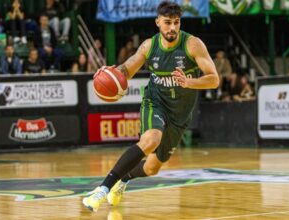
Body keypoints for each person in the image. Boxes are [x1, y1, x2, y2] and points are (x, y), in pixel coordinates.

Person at [82, 1, 219, 212]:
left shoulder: (193, 44)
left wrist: (189, 82)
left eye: (176, 22)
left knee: (153, 167)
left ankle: (125, 178)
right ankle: (102, 189)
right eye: (167, 23)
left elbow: (214, 79)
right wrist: (113, 73)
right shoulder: (149, 46)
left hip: (180, 114)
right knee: (151, 139)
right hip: (155, 102)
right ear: (158, 23)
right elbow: (127, 69)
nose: (172, 27)